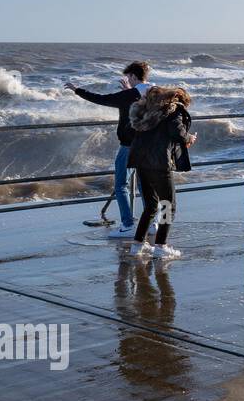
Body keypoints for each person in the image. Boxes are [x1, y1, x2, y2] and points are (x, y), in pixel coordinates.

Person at [64, 61, 153, 237]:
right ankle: (153, 224)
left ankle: (127, 226)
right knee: (146, 186)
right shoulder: (156, 92)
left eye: (129, 77)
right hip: (149, 146)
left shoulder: (129, 95)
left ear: (133, 76)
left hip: (129, 146)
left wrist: (77, 90)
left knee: (121, 186)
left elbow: (102, 99)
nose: (128, 80)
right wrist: (128, 91)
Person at [127, 86, 196, 259]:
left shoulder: (148, 110)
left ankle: (137, 245)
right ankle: (161, 245)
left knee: (150, 205)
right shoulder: (173, 110)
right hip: (159, 163)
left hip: (141, 161)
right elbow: (178, 133)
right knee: (168, 205)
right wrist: (190, 138)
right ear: (180, 99)